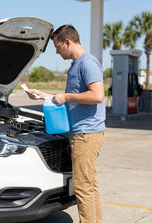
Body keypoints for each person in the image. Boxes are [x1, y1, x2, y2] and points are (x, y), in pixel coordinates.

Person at [26, 25, 106, 223]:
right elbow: (70, 98)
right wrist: (43, 95)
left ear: (67, 42)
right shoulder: (76, 64)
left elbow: (97, 96)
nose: (56, 51)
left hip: (86, 135)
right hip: (84, 133)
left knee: (82, 187)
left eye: (57, 46)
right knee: (90, 185)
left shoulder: (86, 63)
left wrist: (67, 96)